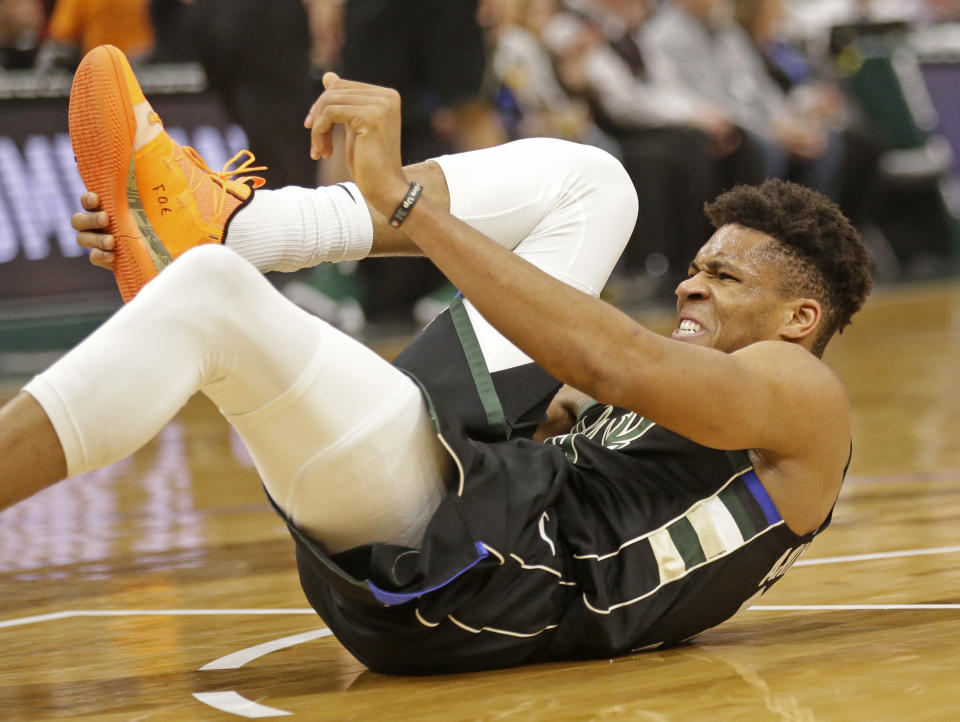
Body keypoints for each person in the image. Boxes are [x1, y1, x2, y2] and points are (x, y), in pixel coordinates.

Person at [0, 46, 871, 674]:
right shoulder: (658, 412)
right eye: (692, 270)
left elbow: (612, 361)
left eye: (721, 276)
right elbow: (550, 385)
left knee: (209, 297)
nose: (689, 289)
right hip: (455, 528)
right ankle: (240, 228)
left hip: (496, 577)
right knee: (595, 183)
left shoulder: (804, 397)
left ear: (800, 317)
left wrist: (409, 204)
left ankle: (224, 243)